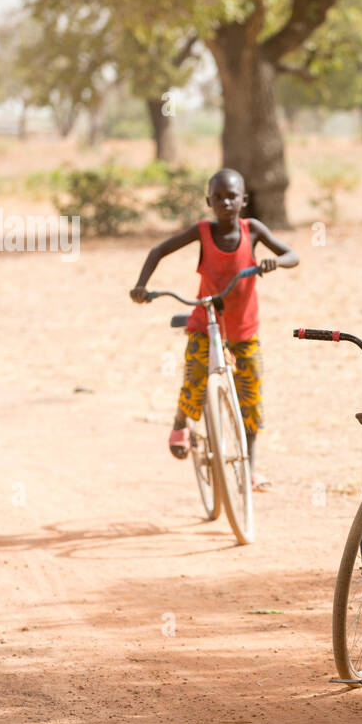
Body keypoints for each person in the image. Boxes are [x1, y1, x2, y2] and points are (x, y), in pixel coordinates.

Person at [129, 168, 299, 486]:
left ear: (244, 200)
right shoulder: (202, 232)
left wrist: (276, 262)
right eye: (218, 197)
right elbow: (158, 251)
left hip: (243, 329)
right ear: (209, 201)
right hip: (205, 323)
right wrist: (142, 286)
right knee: (194, 376)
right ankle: (181, 422)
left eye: (232, 196)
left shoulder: (254, 230)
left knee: (251, 394)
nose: (225, 202)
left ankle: (249, 468)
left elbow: (293, 254)